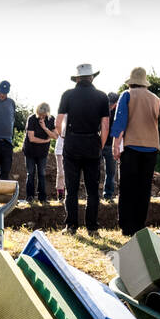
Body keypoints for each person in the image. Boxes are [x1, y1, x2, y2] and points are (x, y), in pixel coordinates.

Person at [56, 63, 111, 235]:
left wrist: (63, 136)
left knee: (71, 189)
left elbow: (58, 122)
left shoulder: (68, 95)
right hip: (92, 143)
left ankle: (71, 226)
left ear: (77, 78)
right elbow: (105, 125)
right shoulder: (102, 96)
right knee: (92, 190)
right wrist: (99, 144)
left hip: (72, 142)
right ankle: (92, 228)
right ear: (92, 77)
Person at [111, 67, 160, 237]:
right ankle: (139, 225)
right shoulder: (156, 99)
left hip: (132, 146)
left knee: (127, 187)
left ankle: (126, 226)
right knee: (144, 188)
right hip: (152, 147)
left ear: (131, 81)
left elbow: (120, 121)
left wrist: (115, 145)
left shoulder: (127, 94)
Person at [23, 102, 57, 202]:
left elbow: (55, 136)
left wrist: (45, 128)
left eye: (43, 114)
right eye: (40, 114)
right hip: (30, 151)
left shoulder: (51, 119)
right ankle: (30, 197)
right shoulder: (32, 119)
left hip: (43, 152)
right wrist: (45, 140)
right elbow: (32, 138)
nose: (42, 116)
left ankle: (42, 198)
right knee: (31, 173)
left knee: (41, 174)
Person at [101, 92, 120, 200]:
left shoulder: (118, 113)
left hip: (110, 146)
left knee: (111, 172)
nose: (110, 105)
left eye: (112, 103)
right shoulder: (101, 110)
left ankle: (108, 195)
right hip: (99, 144)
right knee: (95, 171)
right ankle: (94, 195)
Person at [54, 117, 66, 201]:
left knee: (71, 173)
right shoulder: (61, 117)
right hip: (60, 149)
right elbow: (57, 132)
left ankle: (70, 194)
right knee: (61, 172)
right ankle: (60, 195)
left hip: (72, 149)